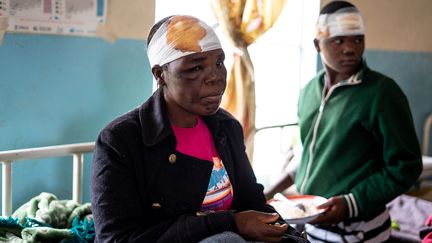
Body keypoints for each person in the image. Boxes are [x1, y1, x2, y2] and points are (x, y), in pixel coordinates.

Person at [91, 15, 307, 243]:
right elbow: (116, 238)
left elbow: (250, 202)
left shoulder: (226, 128)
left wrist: (289, 235)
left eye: (219, 63)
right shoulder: (120, 141)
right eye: (195, 67)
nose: (215, 77)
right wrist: (229, 222)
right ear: (159, 74)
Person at [265, 1, 423, 242]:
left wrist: (352, 203)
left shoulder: (382, 93)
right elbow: (309, 153)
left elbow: (406, 166)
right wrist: (266, 193)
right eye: (339, 40)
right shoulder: (310, 91)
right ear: (318, 44)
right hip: (311, 224)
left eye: (357, 39)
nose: (350, 49)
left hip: (359, 231)